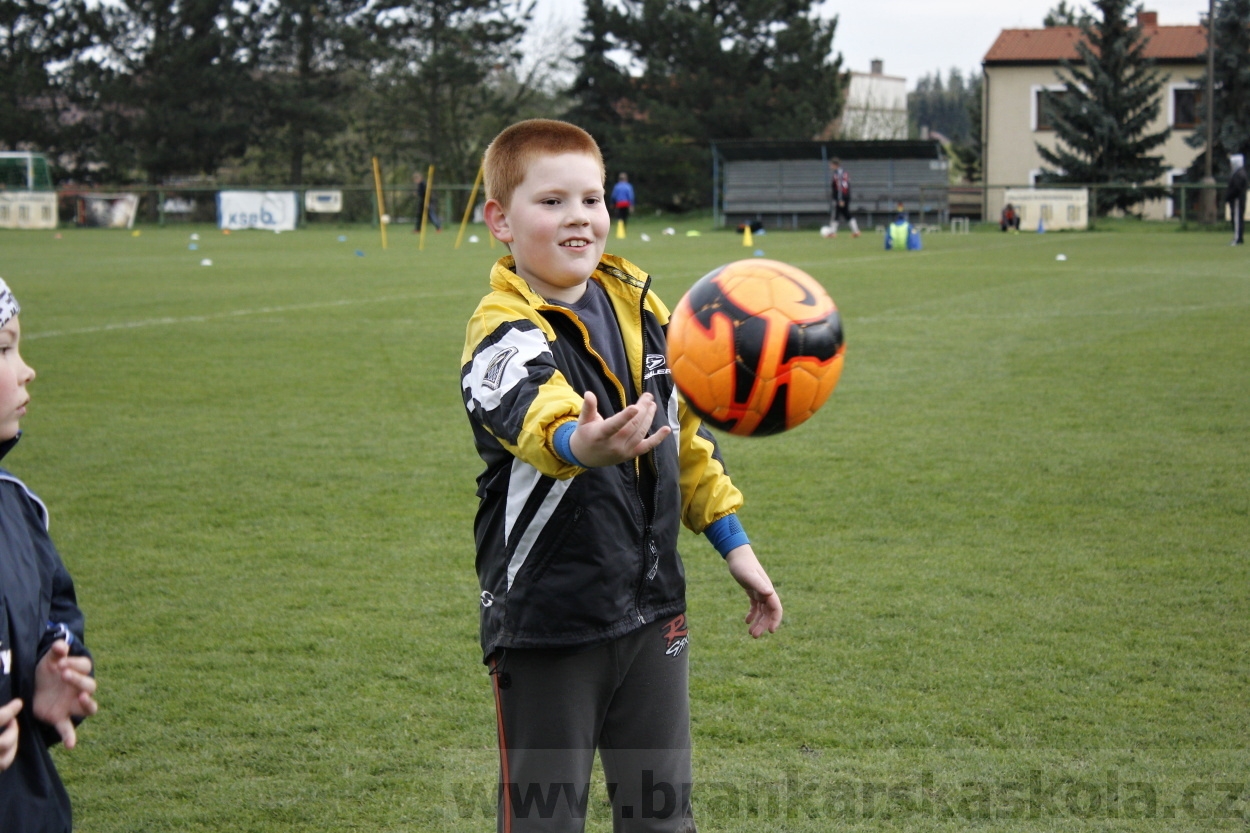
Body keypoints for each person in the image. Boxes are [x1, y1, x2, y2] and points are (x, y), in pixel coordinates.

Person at [461, 119, 782, 833]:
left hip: (654, 610)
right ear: (500, 221)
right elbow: (529, 408)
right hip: (550, 625)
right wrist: (580, 441)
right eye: (552, 202)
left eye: (591, 199)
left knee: (661, 817)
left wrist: (734, 544)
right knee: (545, 820)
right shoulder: (502, 327)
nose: (578, 217)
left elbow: (686, 441)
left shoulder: (642, 306)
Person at [0, 278, 99, 832]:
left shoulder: (17, 509)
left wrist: (48, 666)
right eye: (4, 349)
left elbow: (53, 614)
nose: (26, 370)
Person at [827, 158, 860, 238]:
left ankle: (832, 232)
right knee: (846, 214)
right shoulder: (843, 172)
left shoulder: (838, 174)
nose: (830, 166)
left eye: (831, 165)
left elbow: (841, 187)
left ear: (835, 165)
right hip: (845, 196)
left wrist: (840, 199)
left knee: (836, 214)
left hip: (841, 197)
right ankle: (856, 231)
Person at [1226, 154, 1246, 246]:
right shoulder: (1238, 173)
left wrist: (1229, 196)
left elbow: (1237, 188)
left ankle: (1238, 239)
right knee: (1236, 218)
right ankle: (1237, 237)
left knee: (1237, 219)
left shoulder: (1239, 174)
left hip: (1237, 199)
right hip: (1236, 199)